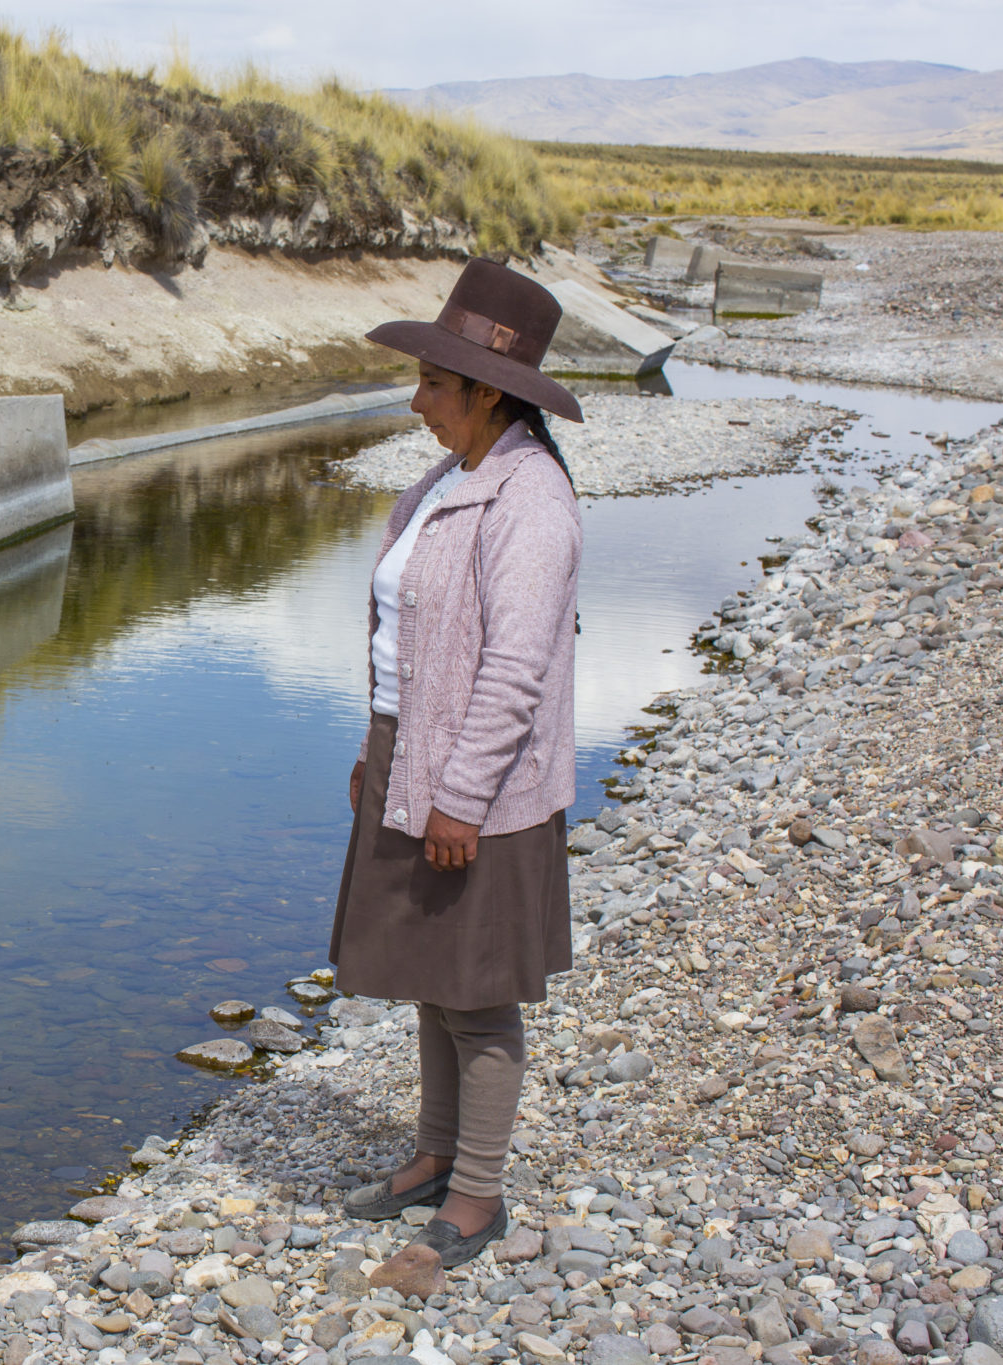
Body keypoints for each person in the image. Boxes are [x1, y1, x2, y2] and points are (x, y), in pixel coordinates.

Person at [330, 257, 584, 1278]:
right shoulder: (453, 478)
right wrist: (375, 750)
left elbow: (514, 670)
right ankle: (434, 1155)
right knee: (433, 980)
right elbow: (408, 640)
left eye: (435, 382)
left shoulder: (530, 502)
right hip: (410, 756)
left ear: (487, 392)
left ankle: (474, 1195)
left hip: (477, 785)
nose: (417, 396)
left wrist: (458, 798)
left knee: (475, 993)